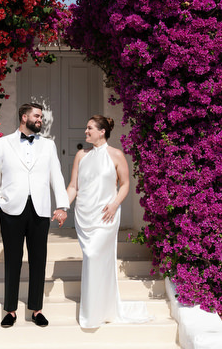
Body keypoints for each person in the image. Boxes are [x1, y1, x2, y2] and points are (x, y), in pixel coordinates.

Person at [0, 102, 69, 328]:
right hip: (11, 210)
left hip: (40, 210)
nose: (40, 120)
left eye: (41, 117)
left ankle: (36, 309)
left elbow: (57, 177)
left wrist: (61, 205)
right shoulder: (2, 144)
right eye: (37, 116)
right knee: (12, 261)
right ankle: (10, 310)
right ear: (24, 117)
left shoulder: (49, 146)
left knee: (38, 260)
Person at [66, 115, 150, 328]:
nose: (86, 132)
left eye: (89, 128)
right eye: (86, 128)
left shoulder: (116, 155)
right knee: (93, 260)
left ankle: (93, 314)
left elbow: (125, 184)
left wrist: (114, 204)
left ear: (102, 131)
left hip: (106, 215)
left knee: (94, 256)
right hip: (84, 215)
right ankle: (101, 309)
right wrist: (62, 206)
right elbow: (73, 186)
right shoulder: (80, 155)